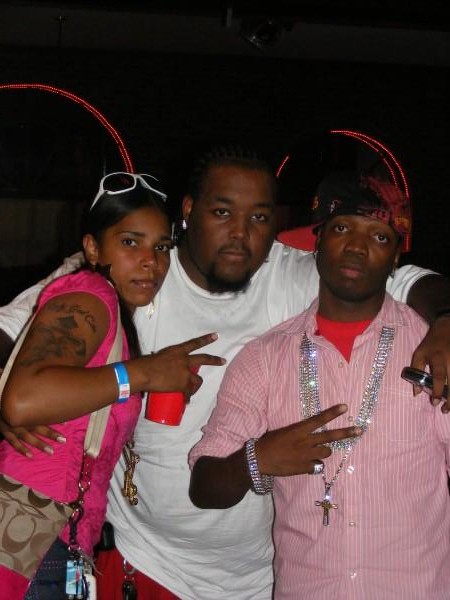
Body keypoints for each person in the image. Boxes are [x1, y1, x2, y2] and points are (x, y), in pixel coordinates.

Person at [1, 147, 450, 599]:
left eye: (259, 218)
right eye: (222, 212)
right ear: (189, 211)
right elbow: (12, 328)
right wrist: (8, 402)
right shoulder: (136, 270)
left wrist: (446, 322)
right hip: (148, 559)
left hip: (261, 575)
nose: (240, 233)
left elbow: (403, 279)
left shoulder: (295, 274)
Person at [189, 171, 450, 599]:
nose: (357, 247)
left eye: (379, 236)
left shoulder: (431, 349)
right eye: (342, 228)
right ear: (318, 241)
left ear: (396, 258)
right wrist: (258, 458)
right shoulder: (264, 358)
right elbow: (204, 487)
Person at [0, 172, 223, 599]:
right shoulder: (90, 294)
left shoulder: (114, 314)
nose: (150, 261)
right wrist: (144, 374)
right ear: (92, 248)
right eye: (130, 242)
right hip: (32, 531)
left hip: (55, 535)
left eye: (162, 247)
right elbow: (24, 399)